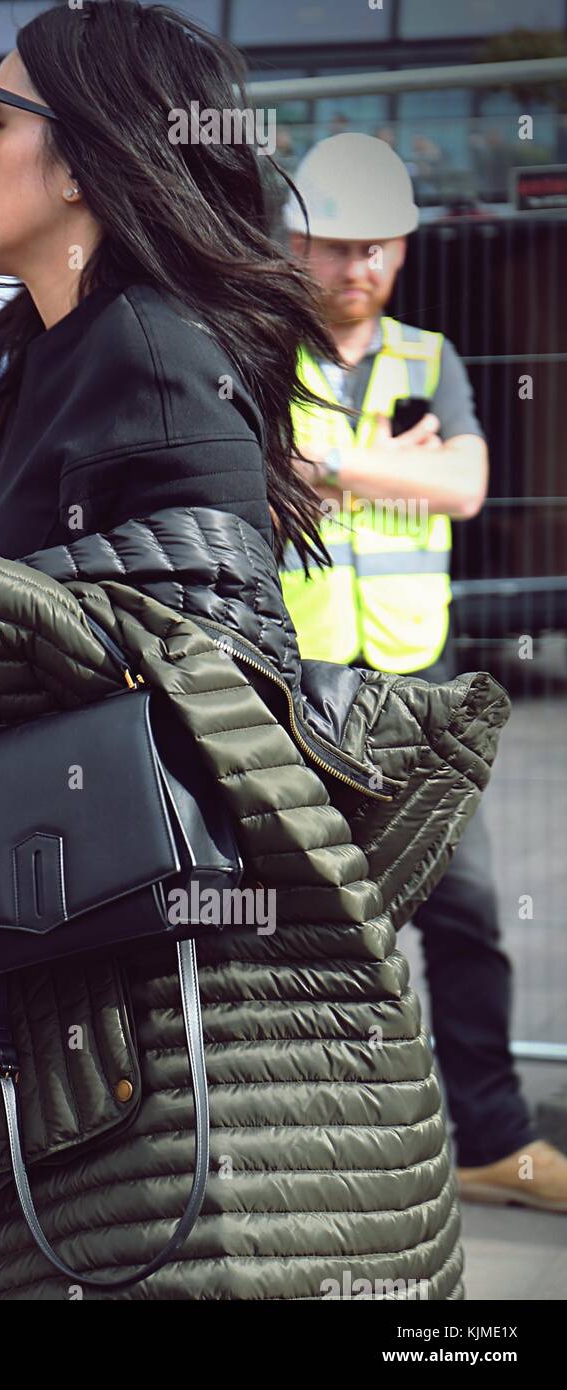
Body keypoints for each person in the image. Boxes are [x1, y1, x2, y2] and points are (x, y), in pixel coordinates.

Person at [0, 0, 504, 1300]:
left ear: (84, 157)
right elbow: (78, 667)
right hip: (90, 1003)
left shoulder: (155, 351)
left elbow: (218, 670)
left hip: (195, 1037)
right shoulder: (54, 360)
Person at [280, 133, 567, 1214]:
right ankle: (311, 1150)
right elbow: (269, 484)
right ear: (294, 245)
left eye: (374, 248)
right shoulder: (252, 353)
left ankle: (490, 1138)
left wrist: (336, 467)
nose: (354, 269)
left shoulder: (426, 355)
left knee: (466, 911)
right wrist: (394, 461)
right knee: (311, 923)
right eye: (332, 247)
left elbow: (465, 487)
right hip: (295, 679)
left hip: (415, 681)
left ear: (399, 250)